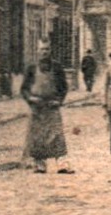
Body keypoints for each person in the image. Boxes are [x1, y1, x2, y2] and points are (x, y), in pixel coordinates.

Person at [21, 42, 73, 174]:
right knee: (37, 137)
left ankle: (62, 165)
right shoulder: (31, 68)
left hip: (52, 106)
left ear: (50, 50)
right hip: (37, 108)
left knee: (57, 135)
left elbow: (63, 87)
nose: (44, 52)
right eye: (42, 49)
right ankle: (40, 165)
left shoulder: (57, 67)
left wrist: (59, 100)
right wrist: (30, 98)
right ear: (37, 51)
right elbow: (24, 89)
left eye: (47, 49)